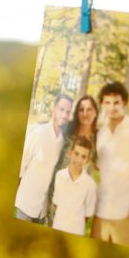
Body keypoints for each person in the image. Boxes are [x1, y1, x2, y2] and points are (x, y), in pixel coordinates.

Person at [14, 94, 73, 223]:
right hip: (25, 206)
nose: (64, 115)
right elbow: (20, 166)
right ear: (54, 108)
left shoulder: (62, 142)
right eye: (62, 109)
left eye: (68, 112)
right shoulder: (38, 133)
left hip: (42, 210)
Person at [45, 95, 99, 223]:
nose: (85, 113)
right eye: (81, 109)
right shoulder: (67, 130)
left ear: (95, 112)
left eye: (89, 109)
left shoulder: (99, 140)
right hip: (56, 193)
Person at [92, 81, 129, 245]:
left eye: (116, 102)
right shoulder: (100, 133)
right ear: (102, 104)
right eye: (107, 102)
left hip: (126, 211)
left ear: (124, 102)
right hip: (101, 211)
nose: (112, 107)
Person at [51, 136, 97, 236]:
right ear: (70, 153)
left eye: (83, 157)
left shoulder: (90, 185)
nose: (79, 160)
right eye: (76, 154)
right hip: (58, 226)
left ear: (88, 160)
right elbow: (56, 202)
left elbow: (88, 214)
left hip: (77, 231)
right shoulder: (60, 176)